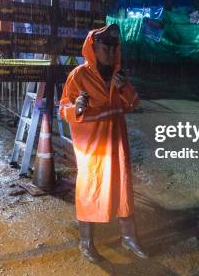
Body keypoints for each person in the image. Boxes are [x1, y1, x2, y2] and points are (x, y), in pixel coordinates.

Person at [59, 24, 148, 263]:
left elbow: (133, 104)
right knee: (90, 188)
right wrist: (77, 107)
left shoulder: (119, 76)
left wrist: (124, 88)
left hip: (117, 145)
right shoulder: (78, 76)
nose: (109, 53)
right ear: (93, 48)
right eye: (104, 48)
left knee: (123, 189)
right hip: (93, 148)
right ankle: (86, 244)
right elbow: (63, 108)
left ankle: (129, 238)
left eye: (113, 48)